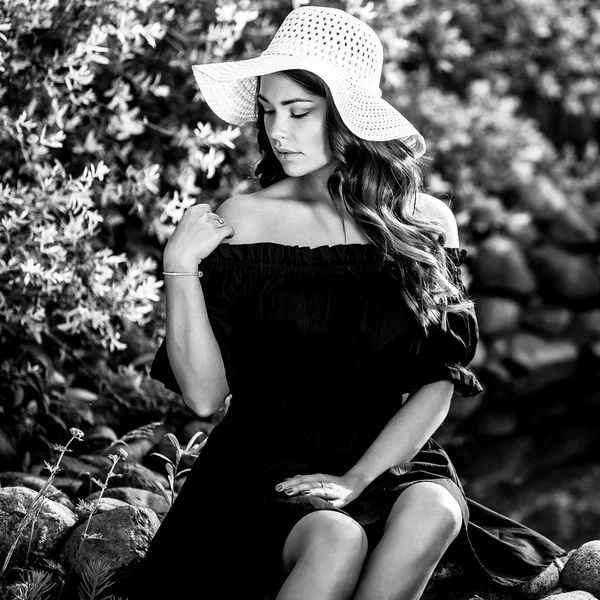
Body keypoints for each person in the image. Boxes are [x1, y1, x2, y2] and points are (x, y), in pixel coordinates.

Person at [126, 6, 565, 600]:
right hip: (264, 467)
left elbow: (439, 379)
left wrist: (358, 478)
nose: (278, 131)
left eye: (300, 112)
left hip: (386, 457)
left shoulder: (426, 222)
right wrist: (179, 268)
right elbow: (205, 398)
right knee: (336, 538)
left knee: (434, 509)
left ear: (350, 117)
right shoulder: (245, 219)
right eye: (268, 111)